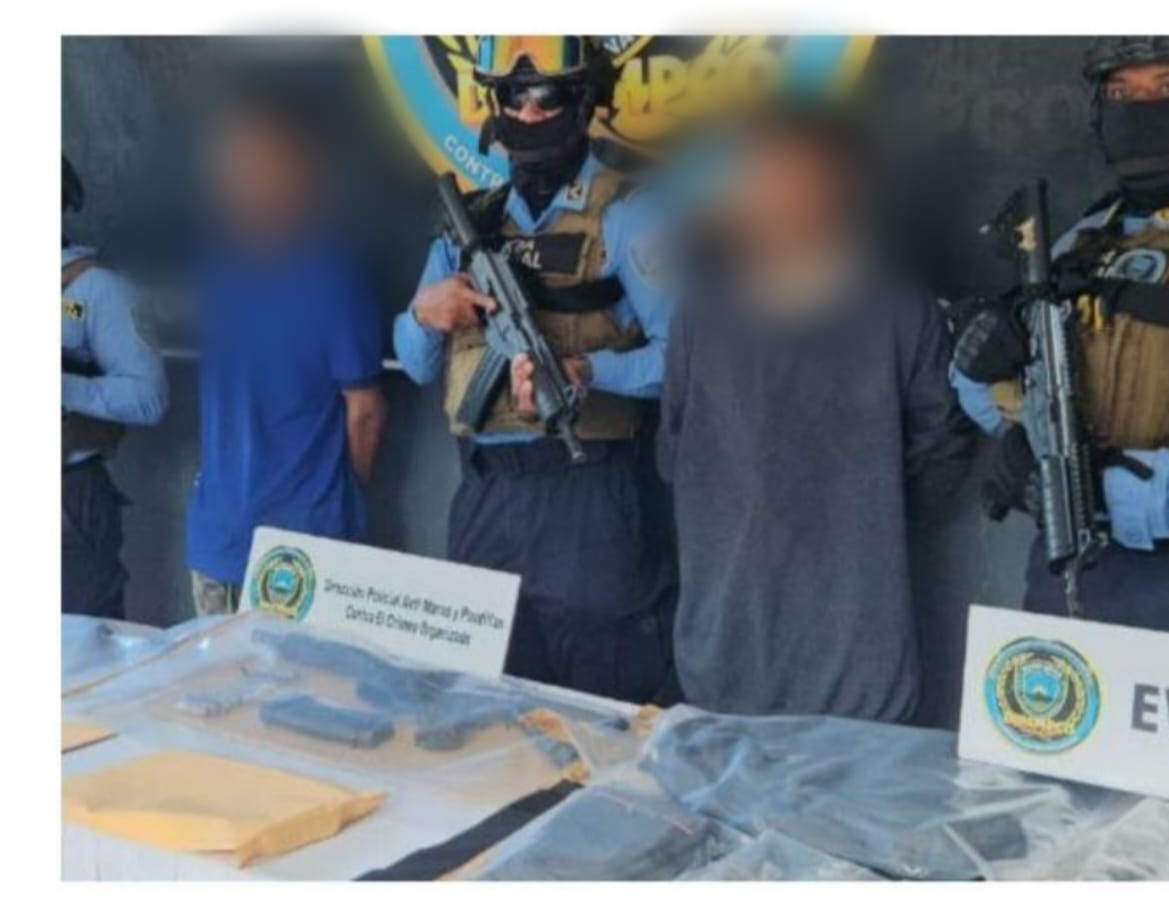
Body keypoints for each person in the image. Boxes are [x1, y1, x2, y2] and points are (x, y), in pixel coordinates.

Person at [656, 107, 974, 720]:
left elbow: (942, 453)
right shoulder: (702, 310)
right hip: (724, 657)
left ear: (840, 189)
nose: (783, 197)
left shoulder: (897, 308)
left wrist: (860, 513)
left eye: (802, 178)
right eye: (767, 178)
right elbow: (674, 448)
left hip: (858, 664)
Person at [394, 36, 677, 703]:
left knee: (602, 708)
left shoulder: (631, 214)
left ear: (583, 101)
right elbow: (414, 365)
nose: (527, 114)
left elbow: (685, 358)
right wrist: (424, 315)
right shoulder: (470, 223)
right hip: (486, 496)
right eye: (512, 97)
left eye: (546, 96)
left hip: (589, 496)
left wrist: (586, 373)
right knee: (485, 704)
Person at [950, 37, 1169, 633]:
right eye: (1121, 93)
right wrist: (981, 368)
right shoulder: (1082, 243)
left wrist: (1115, 494)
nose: (1143, 112)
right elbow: (1004, 402)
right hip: (1072, 577)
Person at [185, 93, 386, 615]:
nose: (251, 181)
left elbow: (364, 409)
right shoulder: (215, 267)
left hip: (303, 546)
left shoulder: (333, 277)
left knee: (297, 673)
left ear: (300, 176)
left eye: (268, 166)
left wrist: (335, 502)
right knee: (214, 671)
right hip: (215, 539)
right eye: (238, 167)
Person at [62, 155, 169, 620]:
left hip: (67, 500)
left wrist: (61, 387)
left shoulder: (99, 290)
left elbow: (149, 399)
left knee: (78, 649)